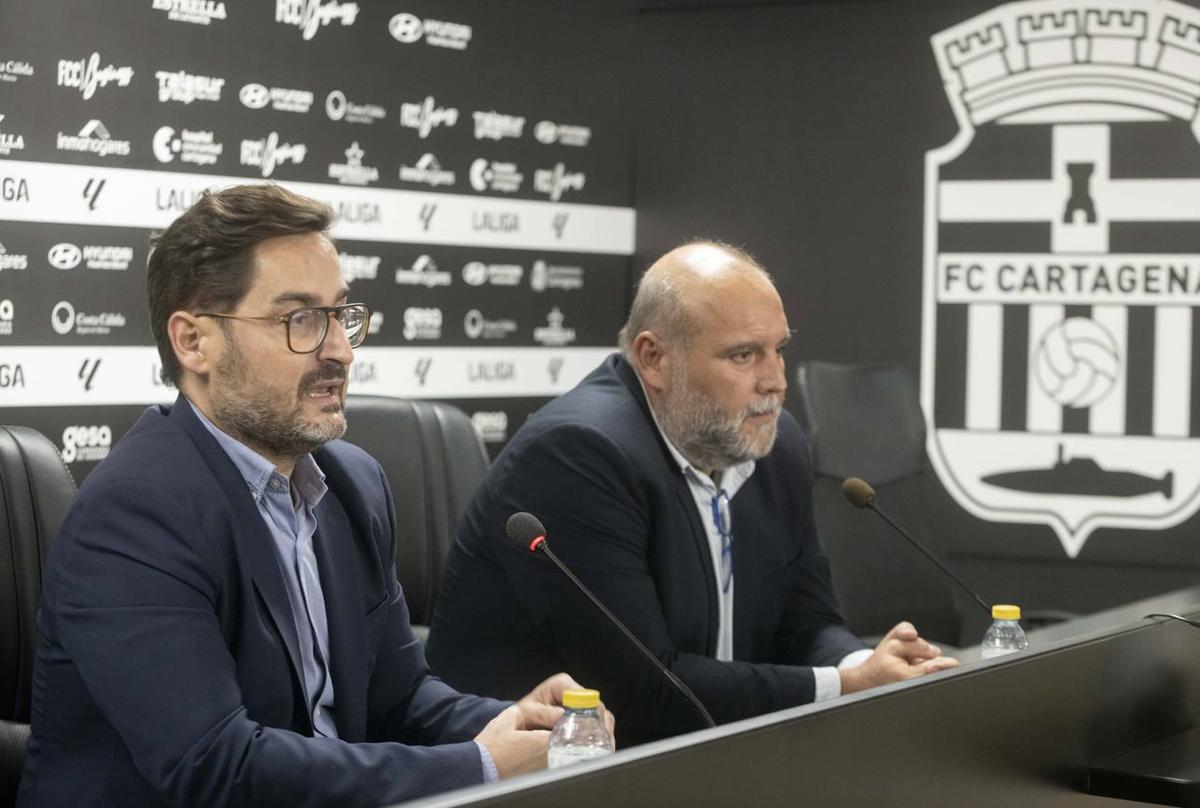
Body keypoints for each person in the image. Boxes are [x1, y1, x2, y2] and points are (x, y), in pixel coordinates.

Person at [17, 184, 608, 808]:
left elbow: (398, 698)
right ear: (194, 342)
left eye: (341, 315)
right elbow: (216, 766)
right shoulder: (133, 515)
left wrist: (517, 727)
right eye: (300, 319)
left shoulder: (353, 484)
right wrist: (482, 766)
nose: (340, 351)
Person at [426, 241, 958, 745]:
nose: (776, 381)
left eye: (780, 350)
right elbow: (647, 692)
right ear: (654, 358)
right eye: (744, 356)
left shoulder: (776, 444)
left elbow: (808, 623)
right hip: (549, 771)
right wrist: (846, 685)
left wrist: (864, 666)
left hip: (714, 753)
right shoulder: (578, 455)